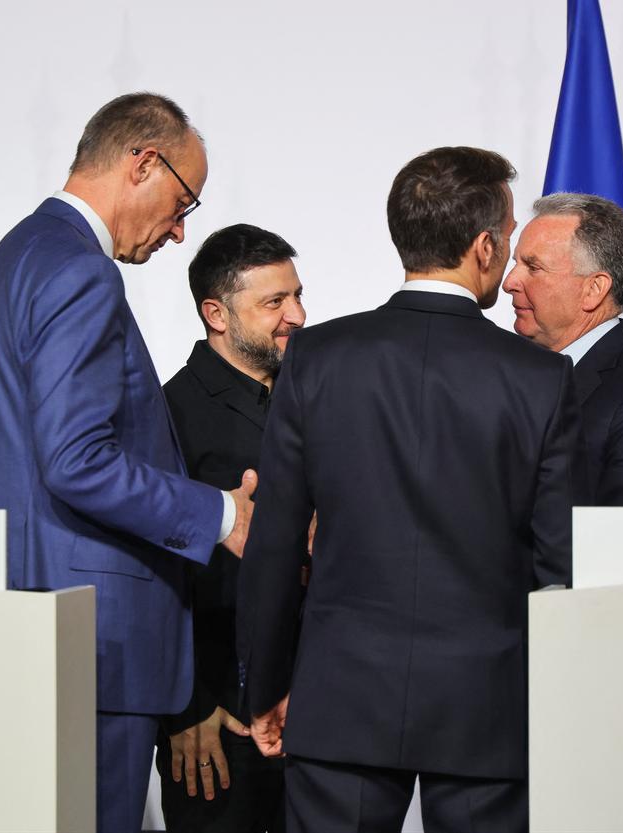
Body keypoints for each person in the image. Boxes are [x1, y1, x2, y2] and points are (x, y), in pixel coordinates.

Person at [236, 146, 576, 832]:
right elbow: (559, 566)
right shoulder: (542, 378)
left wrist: (266, 686)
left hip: (341, 702)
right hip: (487, 711)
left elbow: (273, 540)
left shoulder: (316, 358)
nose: (507, 258)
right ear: (483, 245)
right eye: (507, 238)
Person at [0, 92, 255, 833]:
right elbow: (77, 460)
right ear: (143, 162)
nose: (182, 231)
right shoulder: (81, 273)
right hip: (93, 644)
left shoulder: (1, 267)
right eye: (184, 201)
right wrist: (220, 513)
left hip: (16, 623)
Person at [158, 223, 306, 833]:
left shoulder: (321, 396)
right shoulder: (166, 414)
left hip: (322, 713)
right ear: (216, 313)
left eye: (297, 295)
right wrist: (186, 708)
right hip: (219, 726)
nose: (296, 315)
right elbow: (150, 573)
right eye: (274, 302)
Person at [502, 192, 623, 505]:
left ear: (594, 289)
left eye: (533, 267)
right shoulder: (510, 374)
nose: (509, 282)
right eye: (515, 264)